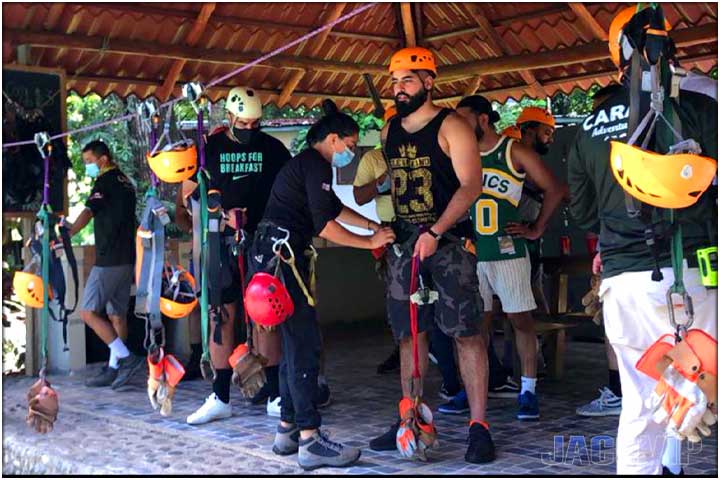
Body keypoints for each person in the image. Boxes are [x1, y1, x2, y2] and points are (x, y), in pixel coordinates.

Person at [567, 6, 717, 474]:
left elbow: (585, 213)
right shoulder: (700, 112)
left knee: (642, 406)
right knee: (698, 392)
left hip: (625, 284)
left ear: (618, 57)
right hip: (694, 274)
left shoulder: (587, 131)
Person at [248, 99, 395, 470]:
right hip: (284, 259)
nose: (352, 151)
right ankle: (311, 439)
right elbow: (324, 226)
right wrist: (368, 244)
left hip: (271, 255)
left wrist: (371, 226)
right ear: (333, 139)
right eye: (350, 144)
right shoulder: (316, 165)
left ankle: (287, 430)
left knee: (291, 343)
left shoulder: (308, 166)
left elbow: (331, 210)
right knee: (304, 345)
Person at [369, 47, 494, 464]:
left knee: (465, 332)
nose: (398, 88)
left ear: (428, 81)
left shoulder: (452, 126)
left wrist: (437, 231)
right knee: (409, 334)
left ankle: (479, 427)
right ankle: (411, 416)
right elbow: (390, 182)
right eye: (394, 81)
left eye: (407, 79)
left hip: (450, 242)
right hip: (405, 244)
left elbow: (471, 185)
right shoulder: (389, 131)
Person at [175, 86, 291, 425]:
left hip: (262, 239)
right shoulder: (208, 148)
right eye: (243, 123)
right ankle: (221, 395)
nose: (250, 130)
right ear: (229, 118)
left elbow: (287, 191)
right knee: (220, 316)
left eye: (256, 124)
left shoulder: (273, 149)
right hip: (219, 240)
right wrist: (220, 214)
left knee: (265, 314)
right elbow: (188, 197)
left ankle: (275, 394)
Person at [456, 96, 567, 422]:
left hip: (507, 251)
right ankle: (474, 386)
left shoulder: (513, 151)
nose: (458, 127)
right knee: (477, 325)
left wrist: (536, 228)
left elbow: (555, 188)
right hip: (473, 252)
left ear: (483, 120)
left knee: (521, 321)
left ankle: (528, 390)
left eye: (464, 120)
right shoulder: (462, 153)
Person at [354, 106, 462, 399]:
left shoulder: (434, 148)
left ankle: (451, 377)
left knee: (443, 314)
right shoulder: (374, 158)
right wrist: (383, 179)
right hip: (393, 236)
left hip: (433, 233)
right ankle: (411, 399)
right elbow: (358, 196)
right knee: (407, 316)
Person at [66, 140, 139, 388]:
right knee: (117, 315)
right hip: (127, 257)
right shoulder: (126, 182)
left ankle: (127, 359)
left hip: (108, 260)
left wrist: (69, 233)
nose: (88, 167)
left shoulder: (104, 182)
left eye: (89, 162)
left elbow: (89, 211)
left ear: (103, 159)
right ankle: (114, 368)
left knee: (88, 312)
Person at [575, 84, 625, 419]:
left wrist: (605, 235)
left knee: (616, 324)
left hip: (619, 247)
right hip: (678, 246)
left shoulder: (590, 138)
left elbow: (581, 207)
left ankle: (621, 392)